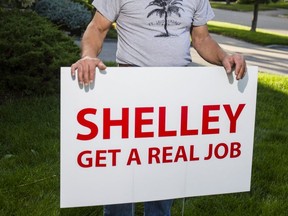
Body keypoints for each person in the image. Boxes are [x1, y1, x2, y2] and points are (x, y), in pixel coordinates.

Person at [71, 0, 246, 215]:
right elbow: (97, 27)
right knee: (122, 170)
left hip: (175, 92)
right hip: (130, 90)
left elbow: (202, 38)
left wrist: (224, 58)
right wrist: (88, 56)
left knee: (165, 166)